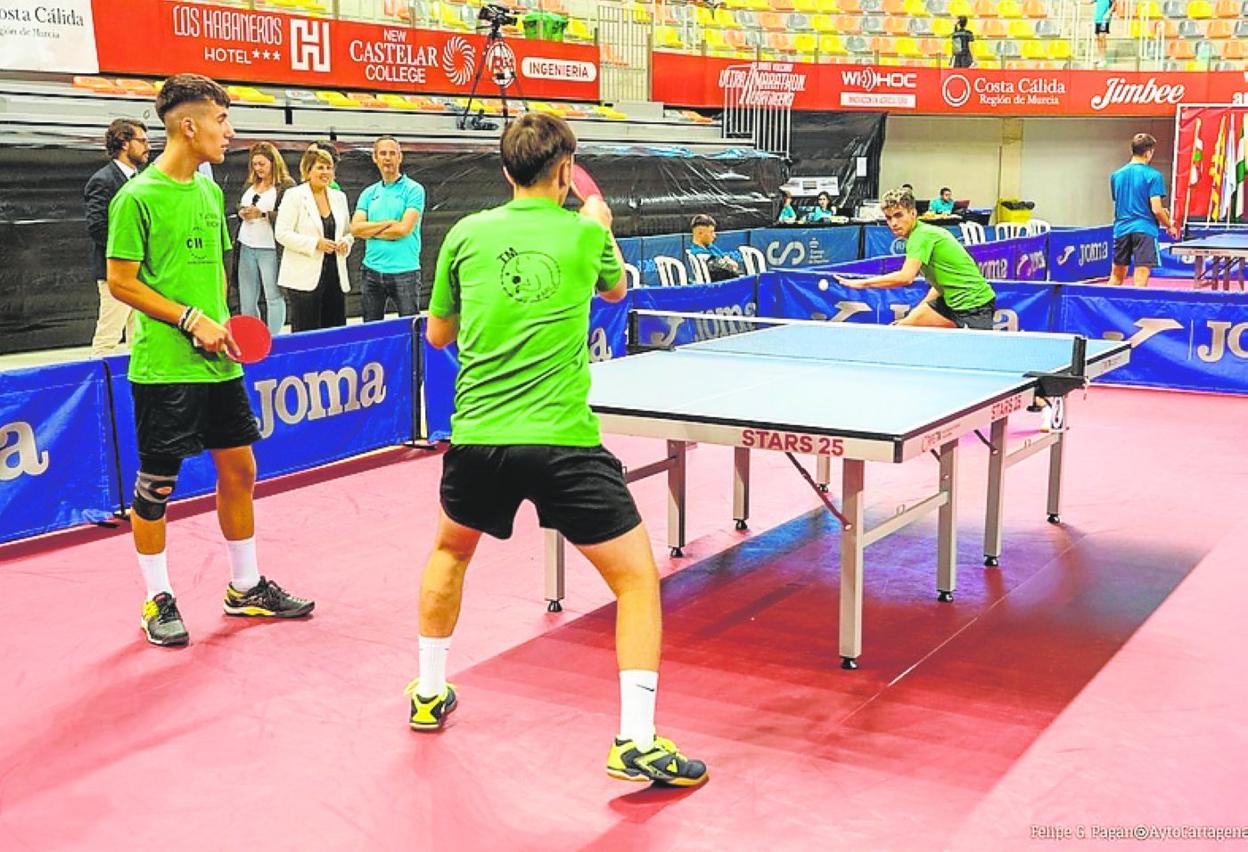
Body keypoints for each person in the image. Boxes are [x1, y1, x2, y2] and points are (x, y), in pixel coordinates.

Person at [411, 112, 708, 788]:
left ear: (505, 168)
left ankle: (429, 692)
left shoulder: (464, 233)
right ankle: (634, 740)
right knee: (636, 581)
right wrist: (598, 225)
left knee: (449, 553)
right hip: (562, 443)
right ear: (565, 168)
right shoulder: (584, 232)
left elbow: (436, 335)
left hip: (479, 436)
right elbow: (616, 291)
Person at [105, 74, 314, 647]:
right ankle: (157, 599)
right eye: (223, 120)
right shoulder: (137, 198)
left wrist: (219, 322)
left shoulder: (206, 190)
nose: (232, 132)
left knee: (240, 470)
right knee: (157, 486)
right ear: (189, 126)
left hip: (219, 363)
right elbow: (122, 283)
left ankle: (245, 588)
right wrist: (188, 319)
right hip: (165, 366)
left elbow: (217, 270)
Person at [834, 187, 996, 330]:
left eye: (898, 215)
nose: (893, 223)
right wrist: (913, 315)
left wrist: (862, 283)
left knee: (974, 358)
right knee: (902, 329)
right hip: (949, 302)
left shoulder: (921, 236)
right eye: (889, 218)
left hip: (974, 306)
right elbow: (938, 285)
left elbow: (906, 277)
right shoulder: (921, 234)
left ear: (913, 213)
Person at [84, 117, 149, 356]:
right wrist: (127, 252)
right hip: (116, 272)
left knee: (140, 338)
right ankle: (98, 391)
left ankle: (138, 391)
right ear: (124, 143)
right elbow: (98, 227)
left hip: (143, 272)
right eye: (141, 141)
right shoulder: (103, 181)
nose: (147, 146)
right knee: (108, 338)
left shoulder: (145, 180)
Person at [275, 145, 354, 332]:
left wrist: (346, 243)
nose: (326, 172)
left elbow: (348, 232)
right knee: (306, 334)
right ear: (308, 170)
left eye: (329, 167)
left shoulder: (339, 197)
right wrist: (315, 244)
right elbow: (282, 233)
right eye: (320, 167)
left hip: (335, 276)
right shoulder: (294, 196)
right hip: (304, 279)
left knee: (335, 334)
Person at [351, 136, 425, 319]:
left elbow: (403, 230)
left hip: (405, 272)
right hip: (371, 272)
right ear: (375, 158)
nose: (387, 158)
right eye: (383, 153)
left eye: (392, 153)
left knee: (410, 331)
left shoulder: (414, 190)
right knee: (371, 330)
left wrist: (372, 230)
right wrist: (388, 224)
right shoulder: (369, 193)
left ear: (400, 157)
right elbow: (355, 229)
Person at [236, 142, 294, 336]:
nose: (258, 168)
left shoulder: (286, 186)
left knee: (273, 296)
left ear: (273, 163)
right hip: (246, 244)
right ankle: (253, 337)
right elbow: (240, 204)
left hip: (269, 247)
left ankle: (274, 337)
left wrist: (263, 215)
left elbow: (290, 216)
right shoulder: (251, 184)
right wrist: (242, 212)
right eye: (255, 164)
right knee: (247, 298)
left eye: (262, 164)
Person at [1108, 132, 1178, 288]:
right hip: (1144, 230)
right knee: (1140, 278)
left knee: (1116, 276)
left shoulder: (1116, 175)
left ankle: (1106, 309)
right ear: (1149, 152)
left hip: (1121, 229)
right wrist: (1169, 226)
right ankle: (1136, 312)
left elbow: (1120, 201)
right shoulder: (1153, 175)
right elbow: (1156, 209)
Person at [688, 213, 741, 279]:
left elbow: (726, 258)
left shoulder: (710, 246)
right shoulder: (702, 255)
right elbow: (731, 269)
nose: (714, 236)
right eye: (711, 232)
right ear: (700, 233)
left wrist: (727, 259)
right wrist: (729, 262)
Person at [1093, 0, 1115, 66]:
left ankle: (1104, 59)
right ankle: (1100, 57)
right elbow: (1089, 2)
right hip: (1097, 19)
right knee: (1098, 39)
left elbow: (1114, 3)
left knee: (1102, 37)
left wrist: (1109, 12)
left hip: (1104, 20)